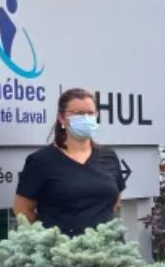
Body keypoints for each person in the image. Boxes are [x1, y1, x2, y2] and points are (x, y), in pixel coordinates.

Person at [13, 88, 125, 236]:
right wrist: (48, 240)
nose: (86, 118)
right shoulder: (40, 161)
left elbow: (114, 202)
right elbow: (22, 210)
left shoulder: (109, 156)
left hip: (107, 247)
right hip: (61, 249)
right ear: (61, 118)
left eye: (90, 113)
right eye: (78, 113)